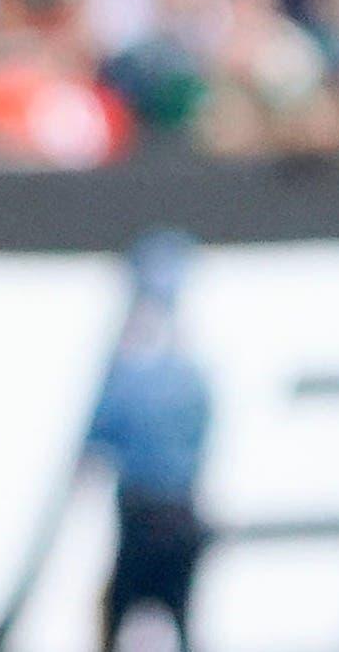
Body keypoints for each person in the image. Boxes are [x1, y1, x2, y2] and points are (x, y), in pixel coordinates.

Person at [85, 234, 211, 652]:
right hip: (178, 512)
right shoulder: (189, 372)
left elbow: (104, 432)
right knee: (174, 614)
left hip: (148, 513)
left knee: (123, 610)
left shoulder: (136, 371)